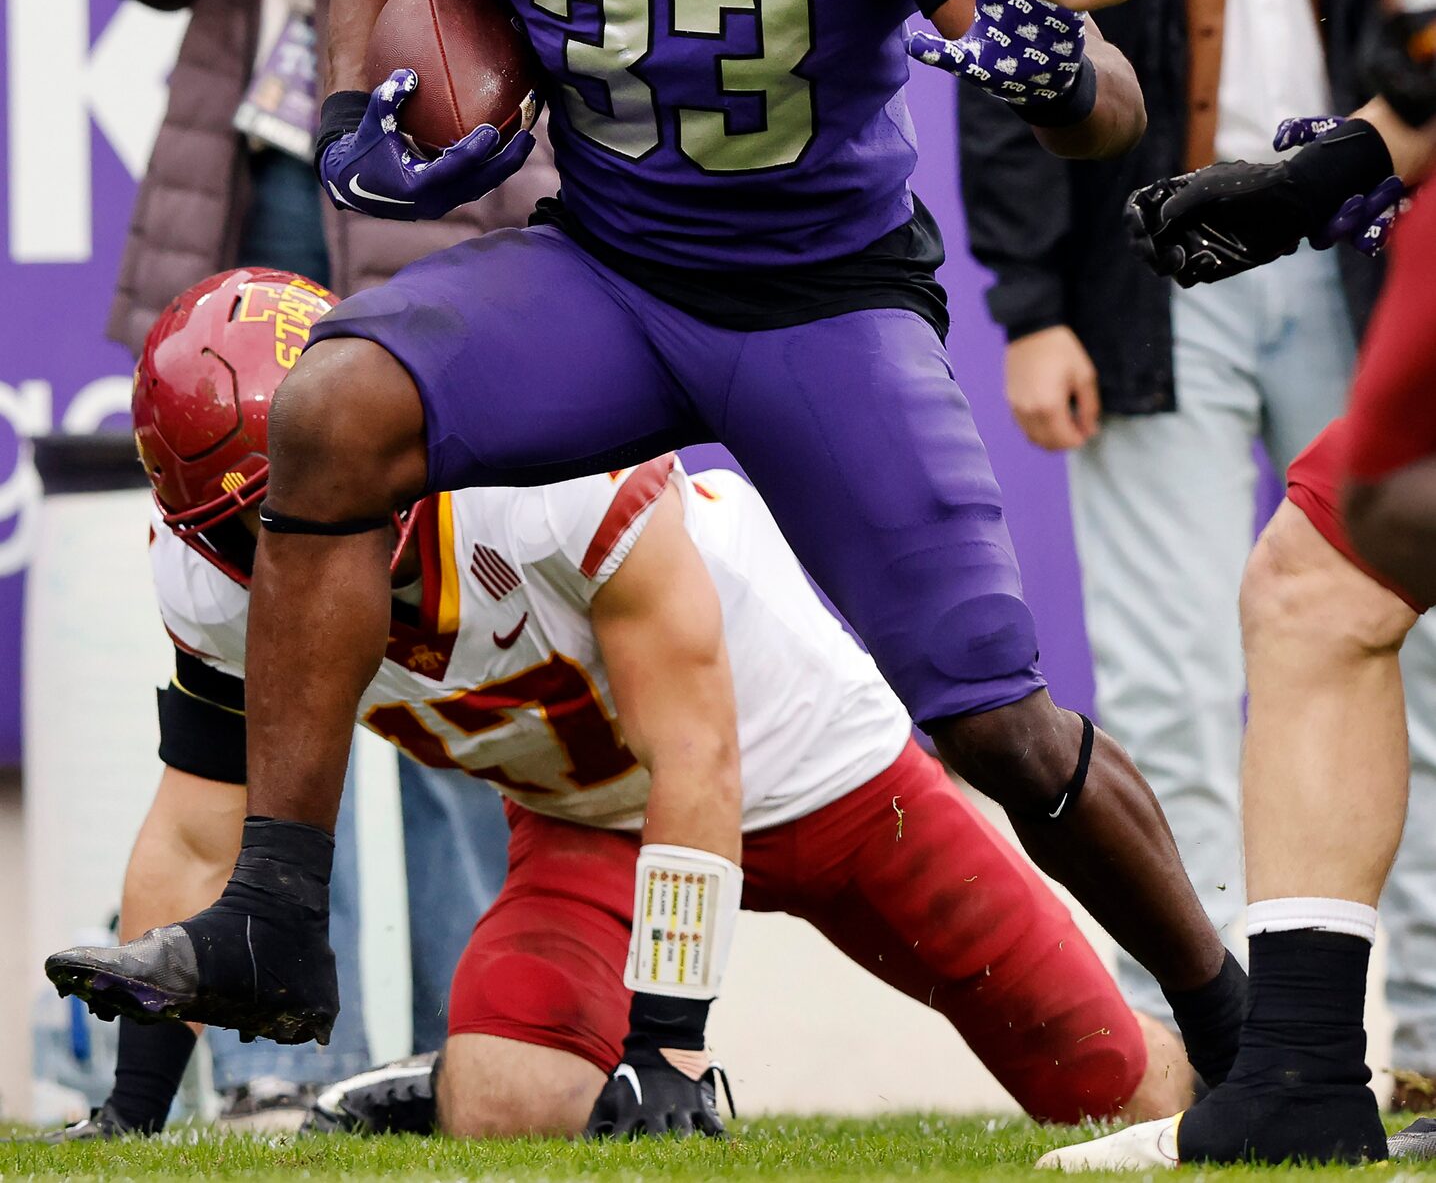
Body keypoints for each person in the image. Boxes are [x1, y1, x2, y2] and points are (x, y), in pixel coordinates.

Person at [56, 0, 1252, 1104]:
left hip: (821, 300)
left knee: (998, 722)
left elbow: (1093, 91)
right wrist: (353, 120)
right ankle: (273, 916)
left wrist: (1067, 77)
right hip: (610, 268)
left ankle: (1248, 1030)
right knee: (330, 406)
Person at [880, 0, 1436, 1163]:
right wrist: (1343, 160)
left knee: (1318, 595)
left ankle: (1294, 1077)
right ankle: (1292, 1079)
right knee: (1323, 591)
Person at [45, 268, 1190, 1139]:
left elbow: (698, 754)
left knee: (1108, 1090)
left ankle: (1251, 1058)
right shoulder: (207, 585)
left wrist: (668, 1053)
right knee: (510, 1094)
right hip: (590, 824)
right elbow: (200, 829)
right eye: (271, 506)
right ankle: (430, 1085)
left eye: (323, 463)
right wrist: (134, 1113)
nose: (315, 511)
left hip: (815, 771)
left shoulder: (535, 478)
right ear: (206, 532)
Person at [88, 0, 537, 1123]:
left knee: (444, 649)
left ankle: (459, 1040)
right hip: (255, 201)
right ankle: (294, 1064)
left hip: (416, 221)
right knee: (264, 661)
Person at [953, 0, 1394, 1038]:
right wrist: (1031, 307)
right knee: (1166, 671)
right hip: (1158, 263)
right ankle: (1211, 1046)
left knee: (1409, 646)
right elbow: (1007, 67)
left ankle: (1432, 1037)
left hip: (1360, 245)